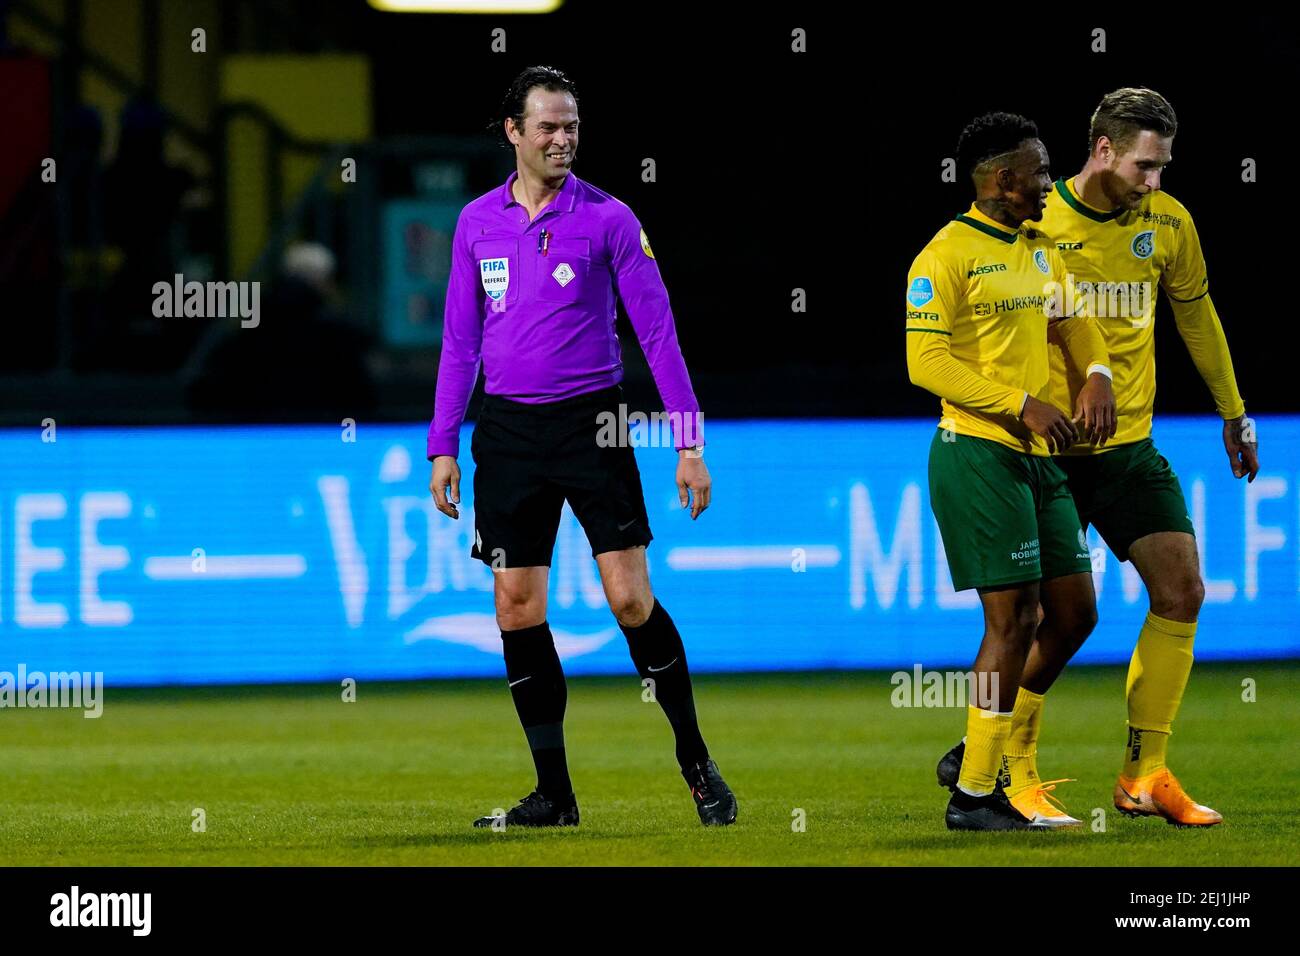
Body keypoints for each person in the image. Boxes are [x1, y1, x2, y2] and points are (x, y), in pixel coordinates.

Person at [427, 66, 736, 829]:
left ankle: (695, 760)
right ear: (513, 133)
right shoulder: (476, 223)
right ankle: (554, 794)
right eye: (548, 127)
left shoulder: (611, 220)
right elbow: (460, 342)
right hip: (506, 432)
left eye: (571, 127)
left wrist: (688, 441)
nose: (563, 139)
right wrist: (443, 446)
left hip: (594, 424)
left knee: (630, 599)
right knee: (516, 607)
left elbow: (658, 335)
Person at [942, 88, 1257, 827]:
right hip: (1046, 451)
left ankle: (1144, 772)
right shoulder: (1032, 216)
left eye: (1164, 167)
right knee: (1055, 619)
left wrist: (1234, 411)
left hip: (1129, 447)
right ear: (1104, 150)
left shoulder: (1169, 223)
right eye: (1145, 166)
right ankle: (1003, 764)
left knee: (1182, 589)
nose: (1156, 181)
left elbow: (1197, 316)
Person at [906, 112, 1116, 830]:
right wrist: (1020, 402)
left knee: (1076, 613)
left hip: (1040, 456)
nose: (1050, 183)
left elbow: (1073, 319)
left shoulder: (1038, 248)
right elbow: (924, 363)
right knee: (1015, 617)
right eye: (1040, 170)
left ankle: (976, 745)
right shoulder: (944, 256)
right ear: (1002, 180)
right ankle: (973, 797)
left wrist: (1094, 374)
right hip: (977, 452)